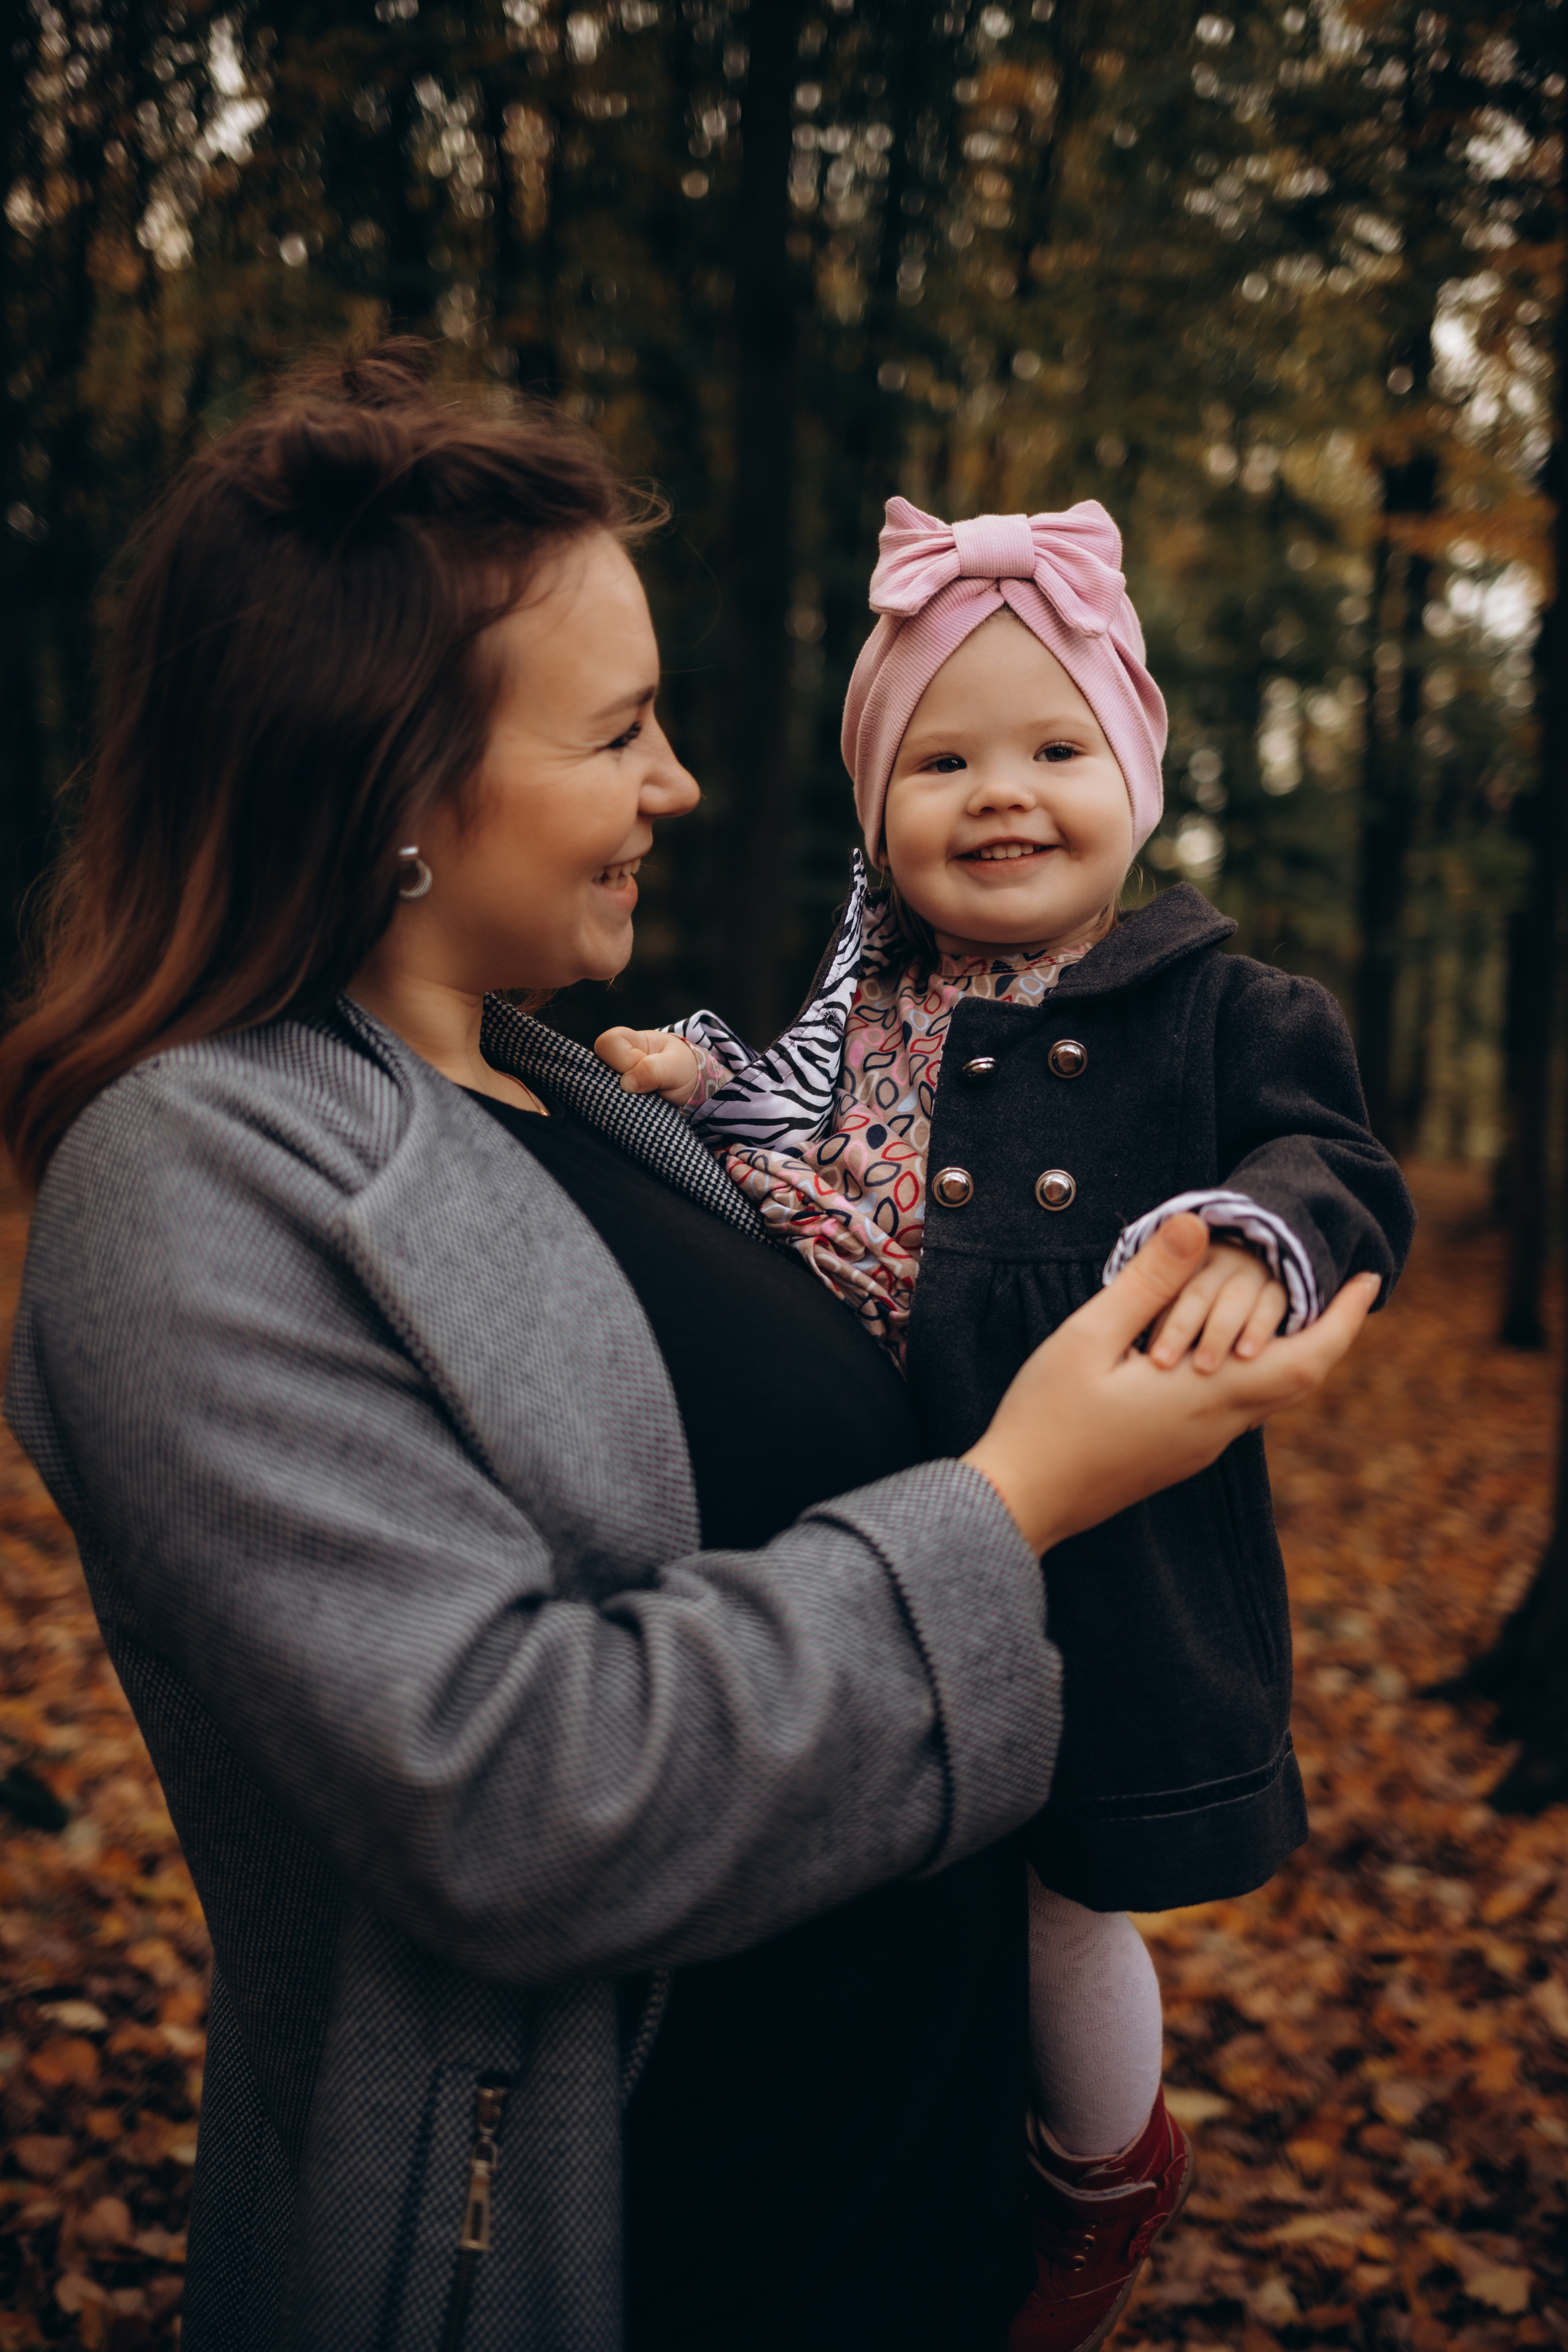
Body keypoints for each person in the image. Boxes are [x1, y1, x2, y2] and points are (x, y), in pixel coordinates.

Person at [0, 350, 1378, 2352]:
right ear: (397, 776)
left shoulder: (594, 1099)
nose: (683, 785)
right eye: (624, 731)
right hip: (614, 2262)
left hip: (905, 2222)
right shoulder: (194, 1184)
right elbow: (513, 1795)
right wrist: (1032, 1490)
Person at [596, 496, 1415, 2352]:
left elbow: (1339, 1163)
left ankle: (1102, 2171)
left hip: (1103, 1564)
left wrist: (1253, 1236)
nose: (1002, 794)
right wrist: (694, 1071)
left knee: (1058, 1893)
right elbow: (792, 1116)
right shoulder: (872, 992)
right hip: (888, 1517)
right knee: (920, 1892)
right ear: (880, 808)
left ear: (1134, 773)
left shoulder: (1213, 1008)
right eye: (943, 759)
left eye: (1057, 748)